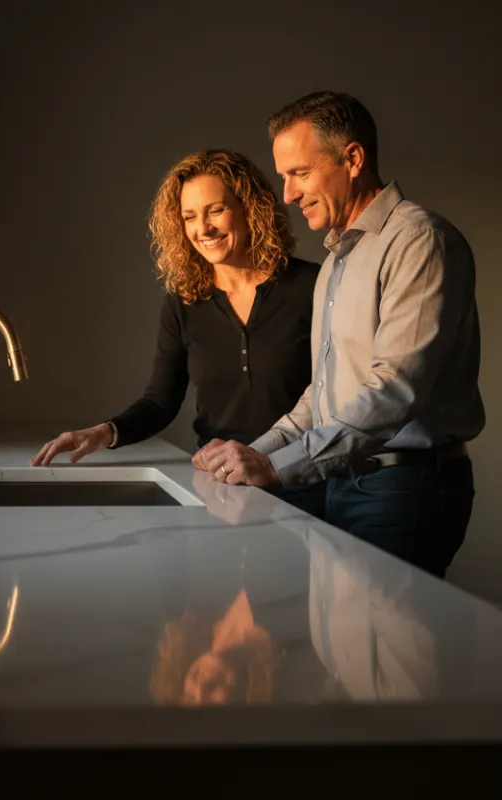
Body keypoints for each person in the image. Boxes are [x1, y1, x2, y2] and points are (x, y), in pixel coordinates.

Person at [195, 91, 485, 579]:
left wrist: (279, 468)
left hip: (403, 488)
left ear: (352, 159)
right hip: (346, 481)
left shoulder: (418, 240)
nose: (287, 193)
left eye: (299, 173)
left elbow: (395, 388)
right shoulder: (336, 260)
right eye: (284, 176)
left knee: (389, 652)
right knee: (345, 647)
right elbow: (325, 393)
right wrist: (254, 451)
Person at [31, 149, 325, 517]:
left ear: (251, 208)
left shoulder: (313, 285)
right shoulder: (185, 302)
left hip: (301, 481)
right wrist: (103, 433)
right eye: (190, 217)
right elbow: (160, 401)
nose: (203, 229)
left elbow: (335, 395)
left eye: (216, 210)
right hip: (221, 487)